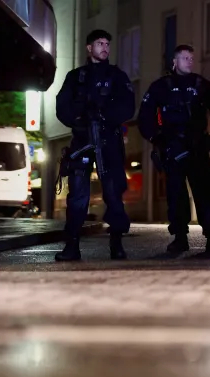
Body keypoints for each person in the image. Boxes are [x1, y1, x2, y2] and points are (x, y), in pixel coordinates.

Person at [137, 44, 210, 254]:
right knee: (176, 195)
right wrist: (157, 138)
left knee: (206, 194)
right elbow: (144, 116)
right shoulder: (161, 86)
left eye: (191, 57)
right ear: (174, 61)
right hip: (173, 148)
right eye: (184, 58)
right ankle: (180, 238)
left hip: (198, 147)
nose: (189, 61)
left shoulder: (200, 84)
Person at [54, 29, 135, 261]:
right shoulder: (76, 76)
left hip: (108, 141)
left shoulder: (117, 76)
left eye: (107, 44)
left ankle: (116, 243)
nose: (105, 48)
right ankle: (72, 246)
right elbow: (62, 106)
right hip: (82, 140)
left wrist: (105, 117)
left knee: (113, 194)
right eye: (100, 43)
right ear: (89, 48)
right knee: (78, 196)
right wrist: (79, 120)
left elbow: (128, 106)